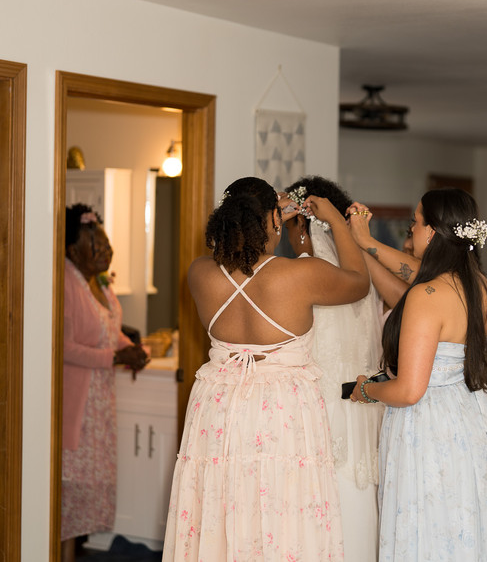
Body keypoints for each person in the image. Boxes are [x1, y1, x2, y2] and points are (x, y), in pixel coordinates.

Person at [163, 176, 371, 561]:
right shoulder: (298, 275)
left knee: (224, 502)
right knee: (279, 504)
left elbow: (234, 252)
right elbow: (359, 283)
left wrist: (271, 217)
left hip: (219, 408)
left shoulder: (199, 273)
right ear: (273, 219)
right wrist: (338, 224)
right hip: (281, 412)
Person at [350, 188, 487, 560]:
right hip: (476, 419)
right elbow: (407, 273)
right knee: (466, 529)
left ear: (434, 232)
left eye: (416, 222)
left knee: (430, 532)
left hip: (432, 428)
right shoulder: (480, 287)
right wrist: (363, 243)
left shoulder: (428, 294)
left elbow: (409, 390)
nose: (412, 228)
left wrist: (366, 390)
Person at [283, 176, 385, 562]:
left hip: (318, 406)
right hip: (358, 405)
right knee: (354, 498)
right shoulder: (360, 273)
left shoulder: (306, 272)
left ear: (301, 225)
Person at [61, 203, 149, 562]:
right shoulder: (65, 282)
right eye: (95, 243)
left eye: (105, 241)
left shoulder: (99, 281)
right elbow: (62, 347)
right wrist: (114, 358)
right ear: (72, 250)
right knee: (68, 497)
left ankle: (71, 555)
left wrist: (131, 349)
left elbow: (109, 333)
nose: (105, 249)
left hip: (100, 406)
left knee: (85, 497)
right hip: (77, 406)